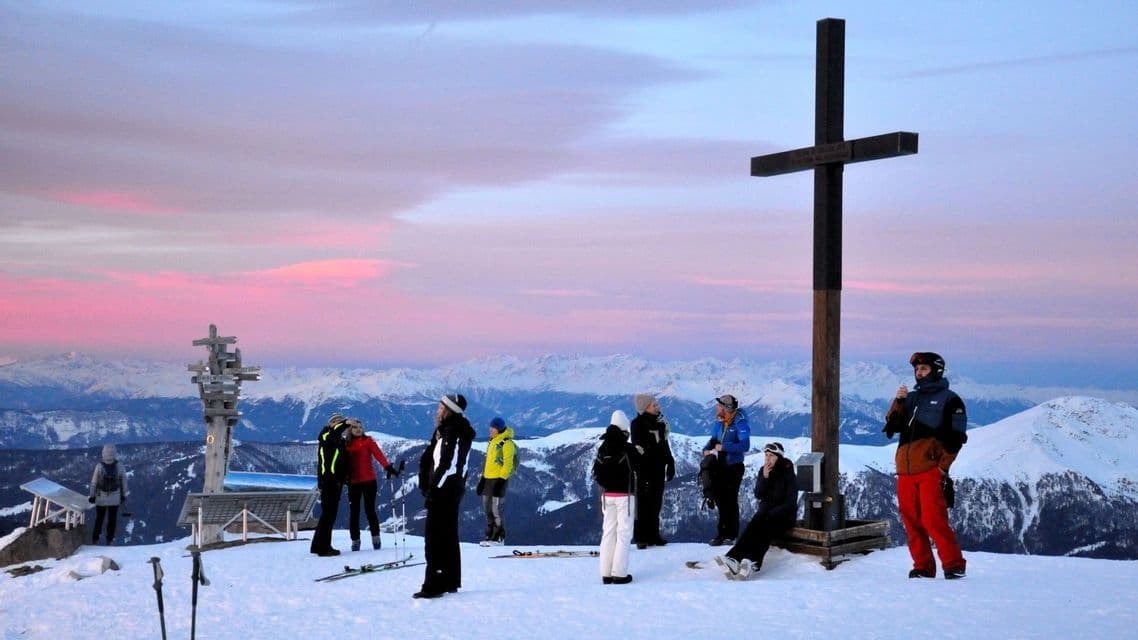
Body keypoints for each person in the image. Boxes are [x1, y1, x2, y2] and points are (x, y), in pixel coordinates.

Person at [884, 352, 969, 580]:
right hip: (905, 472)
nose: (919, 373)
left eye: (924, 369)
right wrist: (898, 402)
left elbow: (957, 438)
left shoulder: (950, 400)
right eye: (917, 369)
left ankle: (953, 564)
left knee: (934, 520)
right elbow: (892, 426)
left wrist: (942, 468)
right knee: (911, 521)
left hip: (929, 470)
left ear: (937, 371)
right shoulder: (911, 398)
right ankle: (923, 567)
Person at [414, 393, 475, 599]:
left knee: (435, 538)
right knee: (448, 535)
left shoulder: (452, 431)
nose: (437, 411)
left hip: (444, 491)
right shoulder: (453, 429)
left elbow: (447, 465)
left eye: (441, 408)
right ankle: (450, 580)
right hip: (452, 489)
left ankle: (434, 584)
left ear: (449, 411)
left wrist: (433, 490)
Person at [714, 442, 798, 580]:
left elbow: (790, 501)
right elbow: (758, 494)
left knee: (764, 527)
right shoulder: (763, 471)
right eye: (766, 455)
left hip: (784, 516)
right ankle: (733, 559)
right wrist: (764, 478)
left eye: (771, 456)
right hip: (766, 514)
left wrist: (771, 514)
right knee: (753, 526)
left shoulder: (787, 472)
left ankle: (752, 562)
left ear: (779, 457)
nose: (768, 458)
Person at [593, 410, 641, 585]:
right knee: (624, 534)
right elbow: (639, 467)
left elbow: (596, 472)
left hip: (607, 495)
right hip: (625, 495)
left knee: (608, 533)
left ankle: (605, 573)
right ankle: (619, 573)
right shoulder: (627, 448)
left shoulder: (602, 447)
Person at [701, 394, 751, 546]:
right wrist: (706, 449)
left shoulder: (740, 423)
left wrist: (724, 447)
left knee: (730, 500)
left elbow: (745, 446)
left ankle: (731, 535)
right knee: (720, 499)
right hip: (720, 466)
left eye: (719, 406)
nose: (716, 408)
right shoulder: (719, 422)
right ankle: (721, 534)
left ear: (726, 408)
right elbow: (713, 440)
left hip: (734, 467)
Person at [344, 417, 399, 552]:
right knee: (354, 512)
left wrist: (387, 467)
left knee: (370, 510)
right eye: (355, 427)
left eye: (360, 427)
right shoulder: (346, 444)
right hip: (353, 482)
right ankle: (355, 540)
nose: (358, 430)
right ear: (350, 430)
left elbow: (378, 454)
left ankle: (376, 538)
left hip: (369, 481)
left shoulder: (368, 441)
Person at [630, 393, 675, 549]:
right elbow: (639, 446)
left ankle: (654, 535)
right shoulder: (637, 424)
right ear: (645, 408)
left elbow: (664, 444)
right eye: (654, 405)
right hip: (644, 468)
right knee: (643, 502)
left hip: (658, 468)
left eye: (657, 404)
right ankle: (641, 537)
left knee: (656, 501)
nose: (658, 407)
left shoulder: (660, 423)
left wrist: (670, 462)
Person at [311, 413, 351, 557]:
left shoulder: (337, 440)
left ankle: (317, 545)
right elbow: (335, 432)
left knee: (327, 514)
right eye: (335, 421)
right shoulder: (326, 436)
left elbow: (342, 461)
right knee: (328, 514)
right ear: (330, 424)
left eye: (339, 421)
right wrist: (345, 423)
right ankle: (324, 547)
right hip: (329, 481)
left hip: (335, 481)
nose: (337, 423)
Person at [476, 416, 517, 546]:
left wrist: (501, 480)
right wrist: (483, 479)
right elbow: (488, 462)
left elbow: (508, 464)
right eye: (490, 427)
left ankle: (499, 537)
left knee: (496, 509)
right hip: (488, 479)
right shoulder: (492, 442)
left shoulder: (507, 443)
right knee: (487, 508)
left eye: (493, 428)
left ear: (499, 429)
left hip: (499, 480)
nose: (490, 430)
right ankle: (490, 535)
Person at [88, 444, 128, 545]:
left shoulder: (99, 466)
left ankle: (95, 539)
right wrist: (123, 495)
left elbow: (94, 482)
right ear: (115, 453)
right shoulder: (120, 465)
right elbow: (124, 481)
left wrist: (92, 496)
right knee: (112, 519)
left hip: (101, 497)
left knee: (99, 519)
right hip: (115, 497)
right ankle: (109, 540)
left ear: (103, 453)